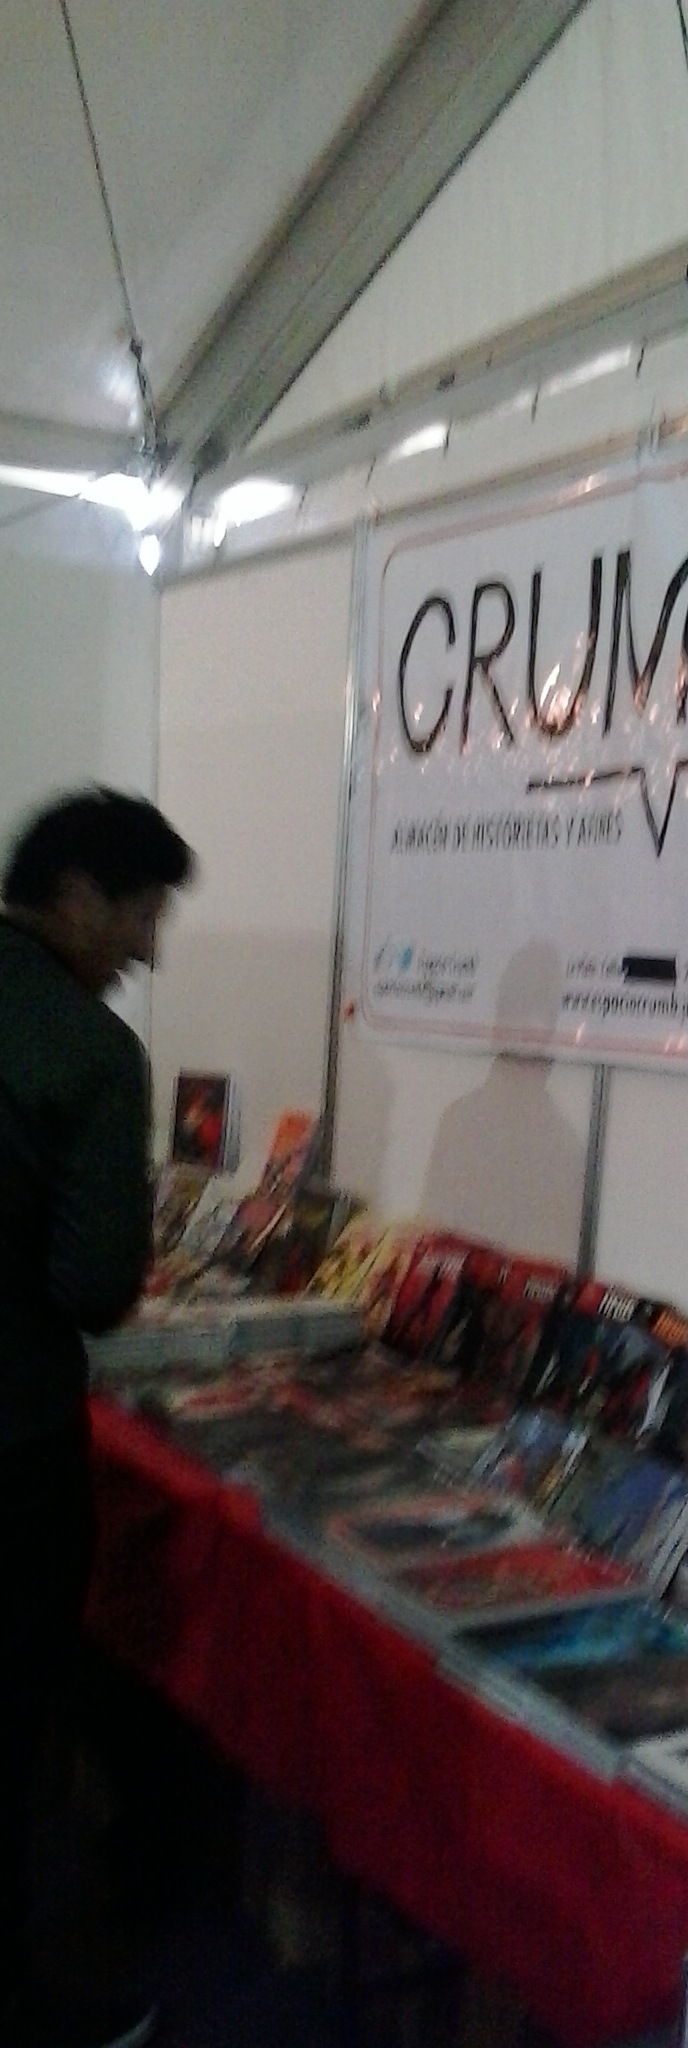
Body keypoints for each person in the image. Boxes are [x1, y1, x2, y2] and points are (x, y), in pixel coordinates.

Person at [0, 786, 194, 2048]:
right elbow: (90, 1284)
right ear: (76, 895)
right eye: (140, 913)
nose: (147, 948)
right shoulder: (88, 1050)